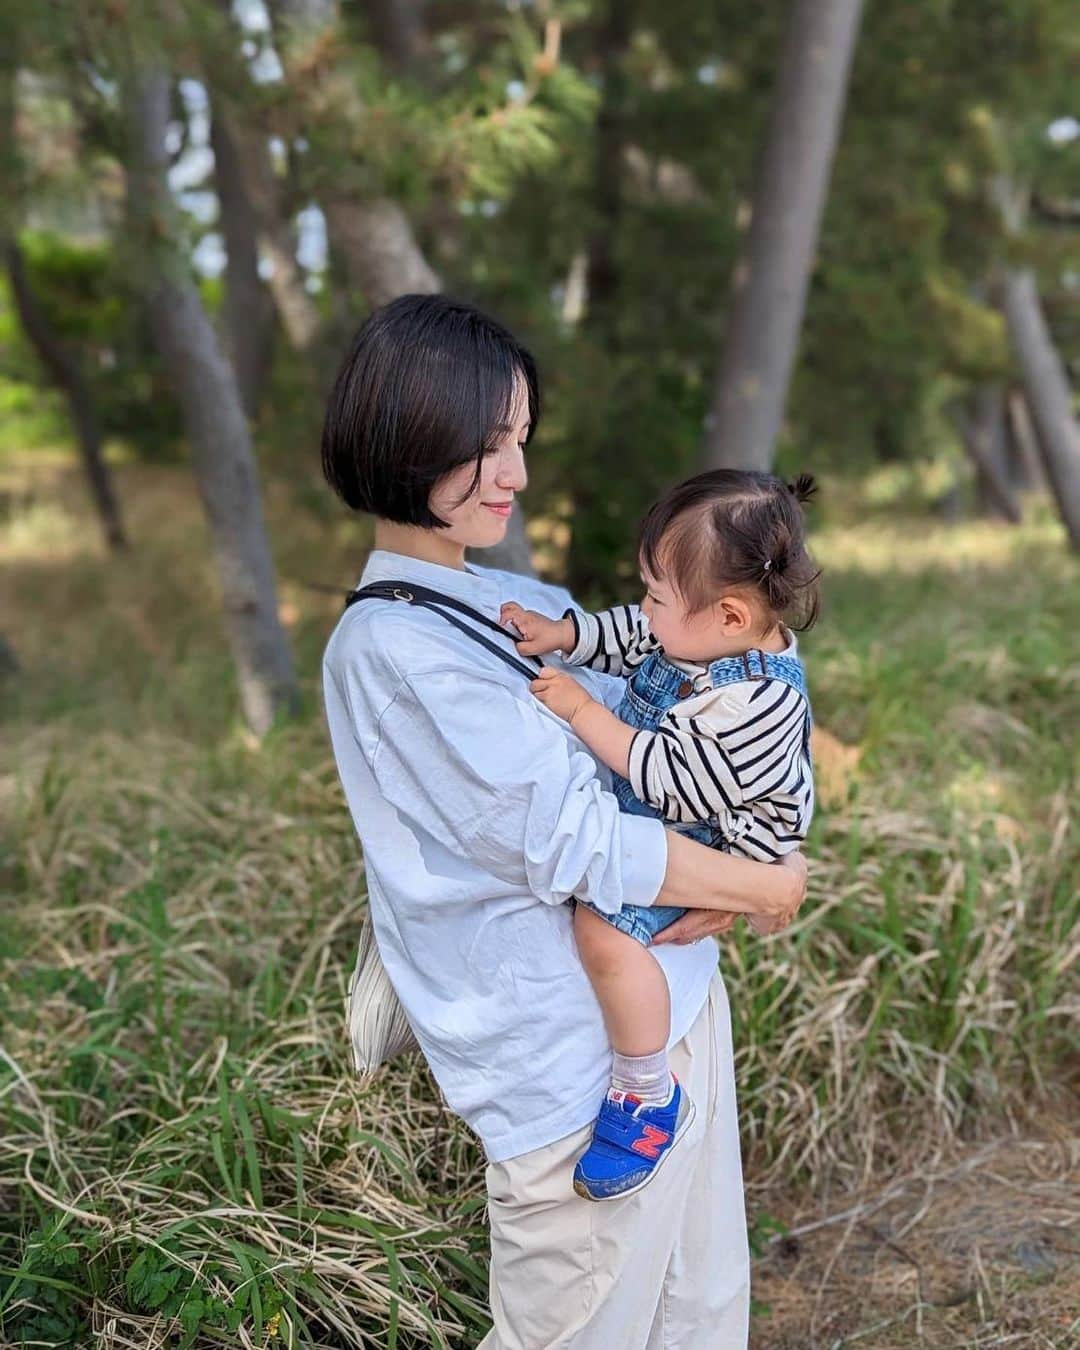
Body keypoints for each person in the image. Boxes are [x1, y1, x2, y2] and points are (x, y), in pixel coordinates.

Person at [320, 292, 808, 1348]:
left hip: (669, 1017)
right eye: (487, 445)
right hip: (575, 1078)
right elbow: (579, 842)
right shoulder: (395, 651)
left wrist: (724, 872)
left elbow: (677, 706)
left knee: (699, 1315)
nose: (517, 474)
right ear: (410, 438)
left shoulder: (485, 600)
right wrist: (764, 886)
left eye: (521, 440)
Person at [499, 469, 818, 1202]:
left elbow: (665, 775)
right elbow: (634, 632)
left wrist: (581, 710)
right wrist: (568, 635)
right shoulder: (697, 628)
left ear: (731, 617)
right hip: (681, 797)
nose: (643, 609)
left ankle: (645, 1093)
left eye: (656, 594)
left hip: (723, 834)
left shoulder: (756, 702)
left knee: (605, 930)